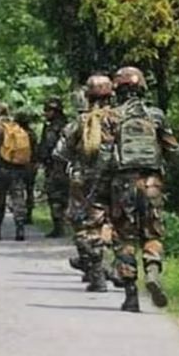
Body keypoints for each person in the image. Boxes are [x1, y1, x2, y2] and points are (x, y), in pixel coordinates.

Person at [106, 67, 179, 312]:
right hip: (152, 184)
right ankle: (152, 271)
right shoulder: (156, 115)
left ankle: (130, 295)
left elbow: (103, 155)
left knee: (124, 237)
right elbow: (173, 149)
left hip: (122, 184)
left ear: (118, 89)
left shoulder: (111, 116)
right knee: (153, 234)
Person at [54, 75, 117, 292]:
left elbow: (61, 153)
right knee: (115, 224)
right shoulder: (121, 118)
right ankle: (117, 268)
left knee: (83, 227)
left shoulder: (80, 122)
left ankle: (98, 274)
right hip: (119, 181)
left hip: (85, 182)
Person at [0, 102, 33, 241]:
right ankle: (20, 228)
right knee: (18, 198)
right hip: (18, 168)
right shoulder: (16, 128)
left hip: (2, 169)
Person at [37, 97, 70, 238]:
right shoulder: (68, 125)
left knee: (55, 197)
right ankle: (64, 225)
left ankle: (59, 227)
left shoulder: (53, 128)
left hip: (56, 167)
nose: (46, 113)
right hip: (67, 166)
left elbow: (48, 146)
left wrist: (41, 158)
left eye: (48, 110)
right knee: (66, 196)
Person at [15, 109, 39, 226]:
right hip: (30, 165)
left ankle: (19, 214)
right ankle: (29, 215)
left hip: (17, 165)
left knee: (18, 191)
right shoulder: (31, 134)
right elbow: (36, 150)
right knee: (29, 191)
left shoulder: (15, 134)